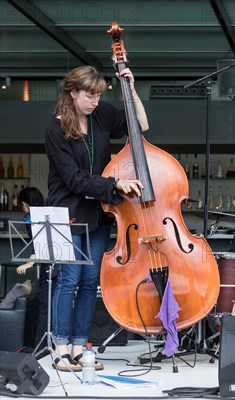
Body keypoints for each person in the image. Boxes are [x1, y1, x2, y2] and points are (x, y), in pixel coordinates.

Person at [45, 65, 148, 372]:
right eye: (89, 95)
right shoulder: (56, 128)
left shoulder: (101, 115)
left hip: (99, 213)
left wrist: (130, 89)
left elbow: (140, 125)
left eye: (99, 95)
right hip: (68, 213)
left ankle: (79, 348)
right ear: (72, 93)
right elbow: (74, 180)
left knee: (90, 283)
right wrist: (114, 185)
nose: (95, 101)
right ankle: (59, 348)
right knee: (69, 281)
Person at [15, 187, 56, 348]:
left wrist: (30, 263)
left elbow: (38, 245)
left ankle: (41, 347)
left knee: (44, 306)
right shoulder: (50, 213)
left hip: (49, 267)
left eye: (22, 205)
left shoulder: (28, 218)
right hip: (60, 264)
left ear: (25, 203)